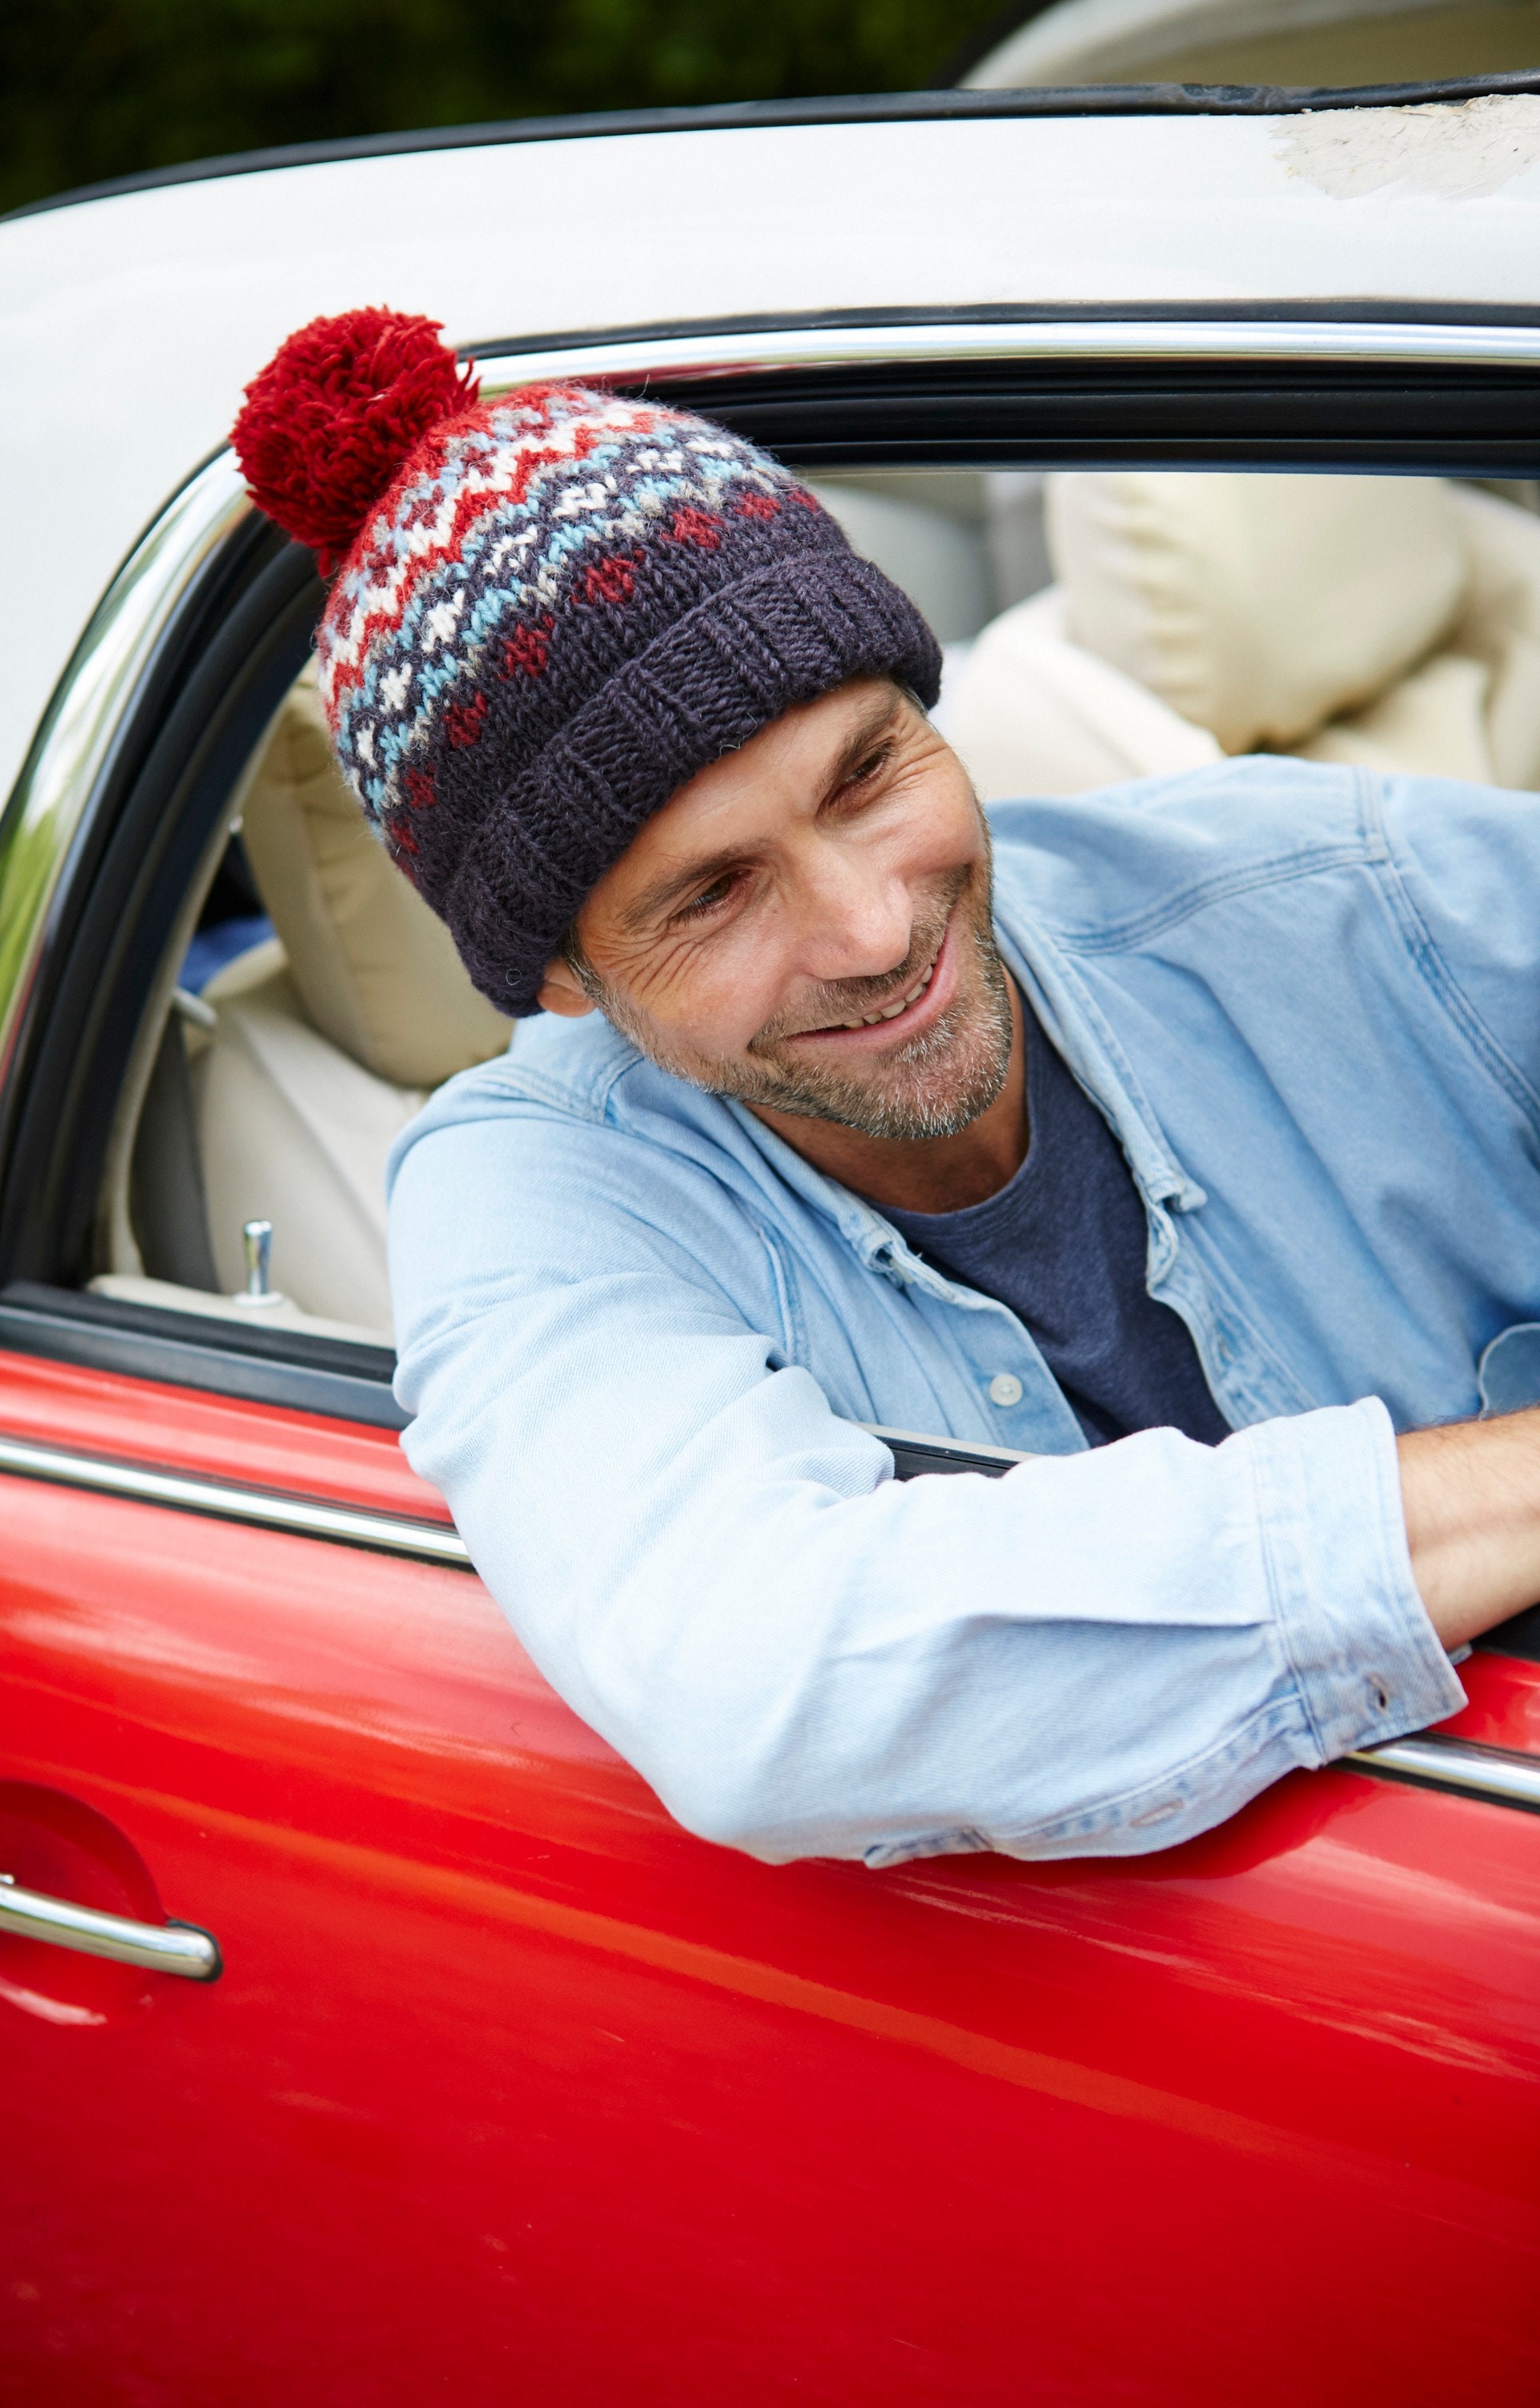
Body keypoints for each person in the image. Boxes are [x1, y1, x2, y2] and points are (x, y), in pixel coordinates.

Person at [233, 307, 1540, 1869]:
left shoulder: (1339, 890)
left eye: (869, 776)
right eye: (712, 894)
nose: (873, 928)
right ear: (571, 981)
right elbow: (766, 1681)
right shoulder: (533, 1188)